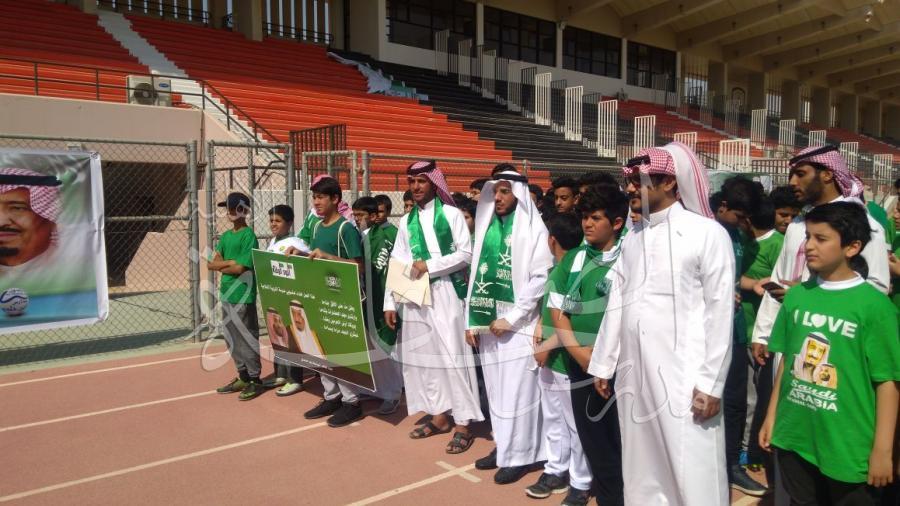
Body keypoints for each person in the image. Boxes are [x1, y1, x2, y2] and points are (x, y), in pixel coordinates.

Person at [589, 142, 736, 505]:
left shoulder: (707, 233)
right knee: (642, 463)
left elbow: (719, 313)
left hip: (684, 375)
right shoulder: (634, 239)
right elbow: (617, 303)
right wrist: (604, 363)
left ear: (669, 182)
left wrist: (711, 384)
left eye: (639, 181)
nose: (630, 188)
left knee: (691, 465)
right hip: (636, 372)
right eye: (629, 180)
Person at [759, 202, 900, 506]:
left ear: (852, 247)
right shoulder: (797, 296)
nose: (809, 246)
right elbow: (787, 361)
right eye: (808, 237)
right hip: (795, 437)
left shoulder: (876, 308)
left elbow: (888, 382)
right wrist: (772, 416)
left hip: (848, 447)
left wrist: (883, 450)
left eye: (821, 239)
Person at [752, 145, 890, 369]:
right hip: (787, 334)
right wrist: (763, 333)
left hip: (834, 343)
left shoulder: (863, 225)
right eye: (791, 175)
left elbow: (877, 286)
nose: (792, 182)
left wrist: (812, 295)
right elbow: (779, 276)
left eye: (801, 174)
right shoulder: (798, 224)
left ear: (827, 174)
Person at [533, 187, 629, 506]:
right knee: (593, 441)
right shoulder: (574, 258)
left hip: (619, 367)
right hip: (580, 366)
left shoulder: (630, 257)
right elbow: (557, 309)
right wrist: (580, 355)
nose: (587, 224)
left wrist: (601, 359)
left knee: (623, 441)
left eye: (596, 218)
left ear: (617, 223)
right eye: (585, 217)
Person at [383, 160, 484, 454]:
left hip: (446, 293)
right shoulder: (406, 221)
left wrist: (430, 265)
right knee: (425, 359)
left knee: (453, 356)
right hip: (415, 296)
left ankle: (463, 423)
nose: (415, 187)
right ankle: (439, 416)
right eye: (411, 181)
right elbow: (398, 261)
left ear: (434, 183)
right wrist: (390, 302)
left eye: (421, 181)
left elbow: (465, 255)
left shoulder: (451, 215)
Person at [466, 165, 553, 484]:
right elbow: (477, 274)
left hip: (519, 327)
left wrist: (512, 317)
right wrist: (471, 320)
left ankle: (521, 455)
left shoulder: (533, 229)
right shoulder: (487, 226)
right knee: (497, 392)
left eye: (505, 191)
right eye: (495, 192)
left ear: (518, 193)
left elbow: (540, 279)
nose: (499, 197)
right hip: (489, 325)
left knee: (518, 394)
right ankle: (504, 447)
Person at [713, 176, 768, 497]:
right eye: (740, 216)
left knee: (734, 402)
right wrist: (718, 295)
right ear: (723, 206)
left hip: (733, 330)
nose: (745, 223)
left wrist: (750, 285)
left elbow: (733, 279)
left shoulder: (735, 234)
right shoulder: (704, 232)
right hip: (706, 333)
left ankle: (731, 465)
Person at [300, 176, 367, 428]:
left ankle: (352, 402)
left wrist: (328, 257)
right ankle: (332, 397)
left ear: (335, 199)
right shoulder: (317, 227)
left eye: (320, 197)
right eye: (314, 197)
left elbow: (359, 266)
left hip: (342, 300)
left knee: (342, 351)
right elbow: (315, 257)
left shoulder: (345, 229)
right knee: (322, 348)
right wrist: (300, 253)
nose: (316, 202)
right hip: (321, 296)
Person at [738, 196, 784, 476]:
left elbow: (780, 286)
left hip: (763, 335)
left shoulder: (777, 244)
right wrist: (752, 284)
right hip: (744, 330)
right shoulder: (743, 241)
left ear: (747, 220)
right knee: (746, 394)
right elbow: (738, 277)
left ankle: (751, 447)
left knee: (757, 395)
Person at [351, 196, 405, 415]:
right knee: (370, 346)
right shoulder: (362, 236)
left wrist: (388, 301)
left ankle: (392, 393)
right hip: (367, 300)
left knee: (386, 348)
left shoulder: (386, 236)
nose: (357, 219)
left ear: (373, 216)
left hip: (383, 300)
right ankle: (376, 389)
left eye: (361, 215)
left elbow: (386, 271)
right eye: (355, 215)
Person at [210, 192, 264, 401]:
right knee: (231, 336)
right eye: (229, 208)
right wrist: (229, 263)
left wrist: (226, 265)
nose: (231, 211)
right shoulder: (225, 236)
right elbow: (211, 263)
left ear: (245, 211)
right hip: (226, 293)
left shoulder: (248, 236)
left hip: (242, 294)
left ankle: (255, 379)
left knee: (245, 336)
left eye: (236, 208)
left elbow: (241, 268)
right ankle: (243, 376)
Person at [265, 204, 310, 396]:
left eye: (278, 221)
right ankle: (281, 374)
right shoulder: (273, 241)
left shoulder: (296, 243)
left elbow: (306, 266)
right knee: (278, 335)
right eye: (271, 220)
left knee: (292, 337)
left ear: (289, 223)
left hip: (291, 299)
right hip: (274, 296)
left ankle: (295, 379)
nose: (273, 224)